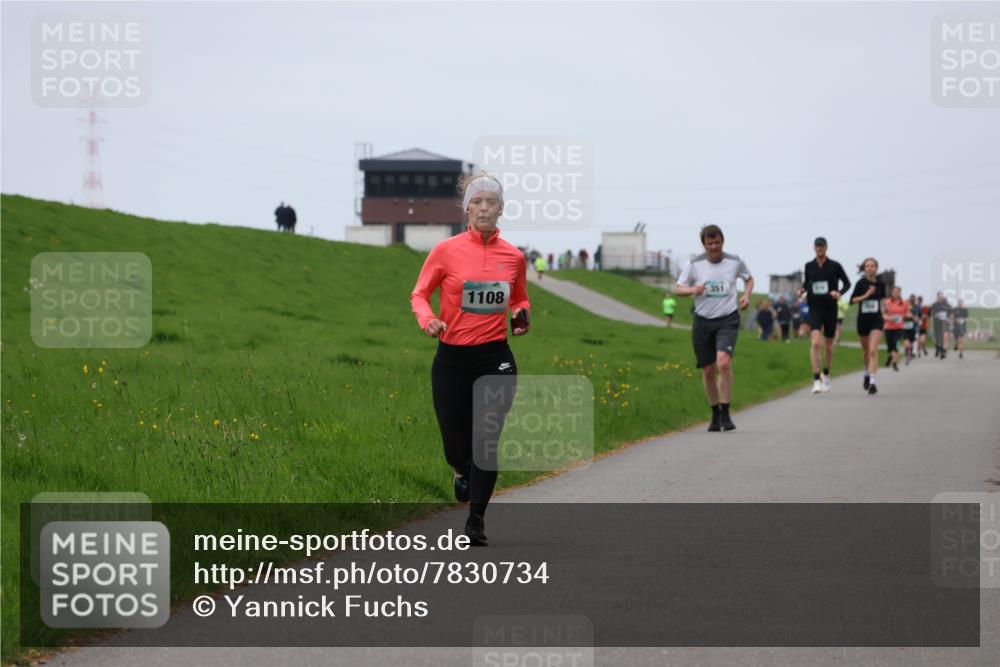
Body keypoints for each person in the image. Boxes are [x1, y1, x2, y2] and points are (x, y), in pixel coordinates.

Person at [410, 172, 530, 546]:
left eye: (490, 202)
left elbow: (520, 298)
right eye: (476, 202)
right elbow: (418, 295)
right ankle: (460, 470)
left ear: (500, 209)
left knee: (487, 440)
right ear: (466, 210)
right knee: (456, 445)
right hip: (452, 359)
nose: (483, 208)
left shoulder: (513, 257)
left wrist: (521, 314)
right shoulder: (445, 251)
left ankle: (476, 519)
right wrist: (428, 320)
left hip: (495, 357)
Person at [674, 224, 753, 432]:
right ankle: (715, 414)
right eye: (710, 243)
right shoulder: (694, 264)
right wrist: (694, 289)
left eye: (717, 242)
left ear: (722, 241)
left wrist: (746, 295)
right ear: (704, 244)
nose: (714, 247)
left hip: (727, 318)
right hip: (702, 321)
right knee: (708, 370)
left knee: (724, 363)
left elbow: (749, 278)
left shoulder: (734, 261)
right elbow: (678, 289)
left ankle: (726, 414)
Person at [798, 237, 851, 394]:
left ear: (826, 248)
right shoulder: (809, 265)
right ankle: (816, 380)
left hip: (830, 308)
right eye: (817, 246)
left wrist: (839, 293)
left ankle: (826, 374)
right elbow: (807, 283)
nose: (819, 249)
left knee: (828, 345)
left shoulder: (835, 266)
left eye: (822, 246)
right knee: (815, 344)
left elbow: (847, 283)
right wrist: (802, 290)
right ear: (814, 248)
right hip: (814, 307)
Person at [849, 257, 885, 394]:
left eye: (872, 266)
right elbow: (852, 300)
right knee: (865, 351)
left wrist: (886, 310)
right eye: (867, 266)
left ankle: (873, 382)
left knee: (872, 350)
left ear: (876, 268)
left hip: (876, 320)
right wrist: (866, 295)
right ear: (864, 269)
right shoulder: (860, 283)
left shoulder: (881, 284)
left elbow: (882, 300)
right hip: (863, 320)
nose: (870, 268)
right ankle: (866, 373)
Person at [882, 286, 909, 372]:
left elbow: (907, 313)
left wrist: (905, 316)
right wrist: (889, 318)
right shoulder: (887, 302)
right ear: (892, 293)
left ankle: (894, 363)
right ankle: (890, 357)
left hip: (899, 328)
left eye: (897, 292)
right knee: (890, 347)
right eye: (894, 292)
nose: (896, 293)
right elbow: (883, 314)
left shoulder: (904, 303)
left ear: (900, 293)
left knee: (895, 344)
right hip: (888, 327)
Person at [929, 292, 953, 359]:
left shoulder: (947, 305)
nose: (940, 298)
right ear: (937, 297)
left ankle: (943, 352)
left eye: (941, 297)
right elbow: (931, 314)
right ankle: (937, 349)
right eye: (939, 297)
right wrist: (935, 315)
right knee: (938, 338)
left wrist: (949, 319)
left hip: (945, 324)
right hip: (937, 323)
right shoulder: (934, 305)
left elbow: (951, 314)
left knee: (944, 336)